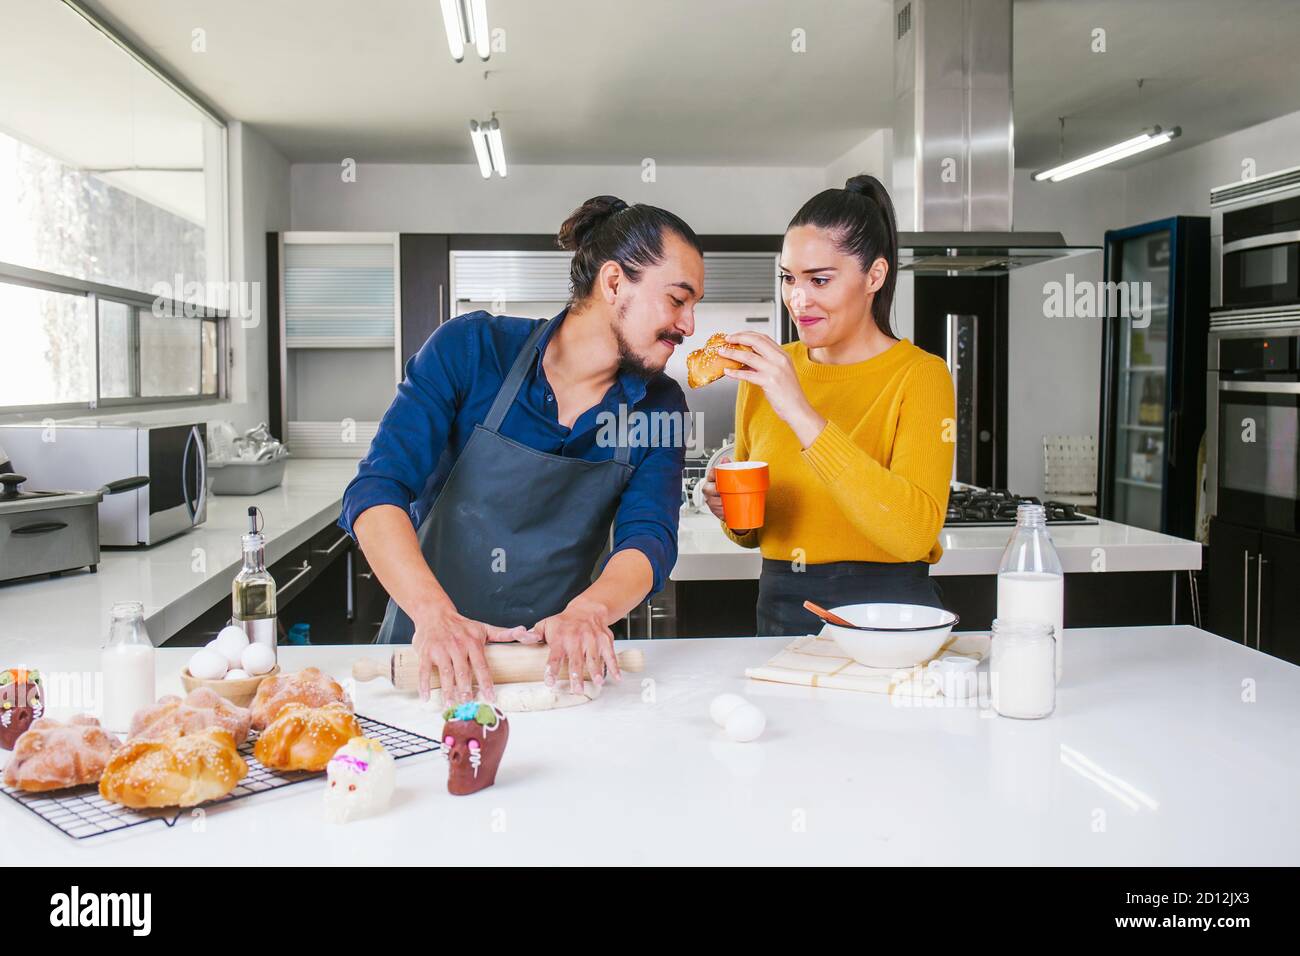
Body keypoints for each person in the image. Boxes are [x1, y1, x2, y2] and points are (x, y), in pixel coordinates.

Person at [340, 196, 703, 701]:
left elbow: (650, 538)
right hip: (428, 661)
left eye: (694, 306)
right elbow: (378, 490)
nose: (689, 326)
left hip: (557, 672)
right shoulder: (471, 351)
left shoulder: (659, 405)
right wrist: (434, 615)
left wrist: (590, 612)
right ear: (615, 282)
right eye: (678, 300)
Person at [701, 174, 955, 636]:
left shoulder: (921, 375)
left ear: (874, 275)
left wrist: (799, 409)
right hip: (782, 610)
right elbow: (757, 532)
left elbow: (914, 533)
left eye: (819, 279)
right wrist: (733, 514)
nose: (798, 300)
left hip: (890, 617)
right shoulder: (765, 372)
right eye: (788, 278)